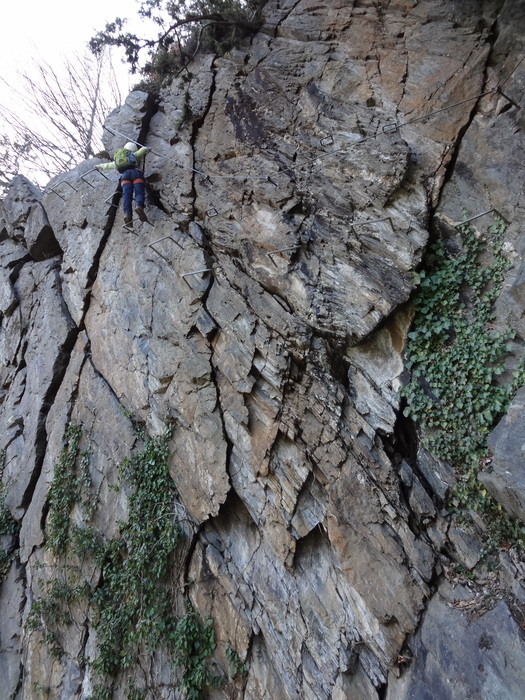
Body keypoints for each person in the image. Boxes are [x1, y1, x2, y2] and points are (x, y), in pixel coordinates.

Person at [96, 142, 150, 226]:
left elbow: (108, 165)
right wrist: (147, 148)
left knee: (127, 196)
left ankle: (127, 214)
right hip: (136, 174)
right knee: (139, 192)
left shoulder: (119, 160)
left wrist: (99, 166)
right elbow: (142, 151)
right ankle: (139, 206)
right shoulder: (133, 155)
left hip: (125, 177)